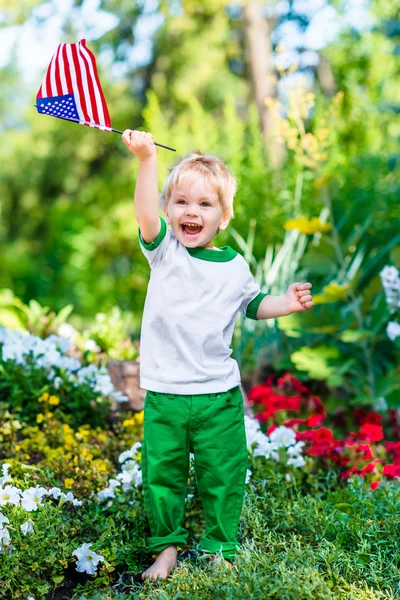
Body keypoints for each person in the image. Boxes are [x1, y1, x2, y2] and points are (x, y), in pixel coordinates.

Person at [121, 128, 314, 581]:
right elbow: (145, 213)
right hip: (167, 394)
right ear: (169, 210)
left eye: (205, 204)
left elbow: (253, 302)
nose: (191, 211)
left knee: (223, 472)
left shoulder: (233, 266)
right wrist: (147, 160)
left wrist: (285, 303)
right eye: (181, 202)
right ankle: (166, 548)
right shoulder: (164, 250)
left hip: (217, 394)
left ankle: (220, 545)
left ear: (223, 216)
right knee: (162, 474)